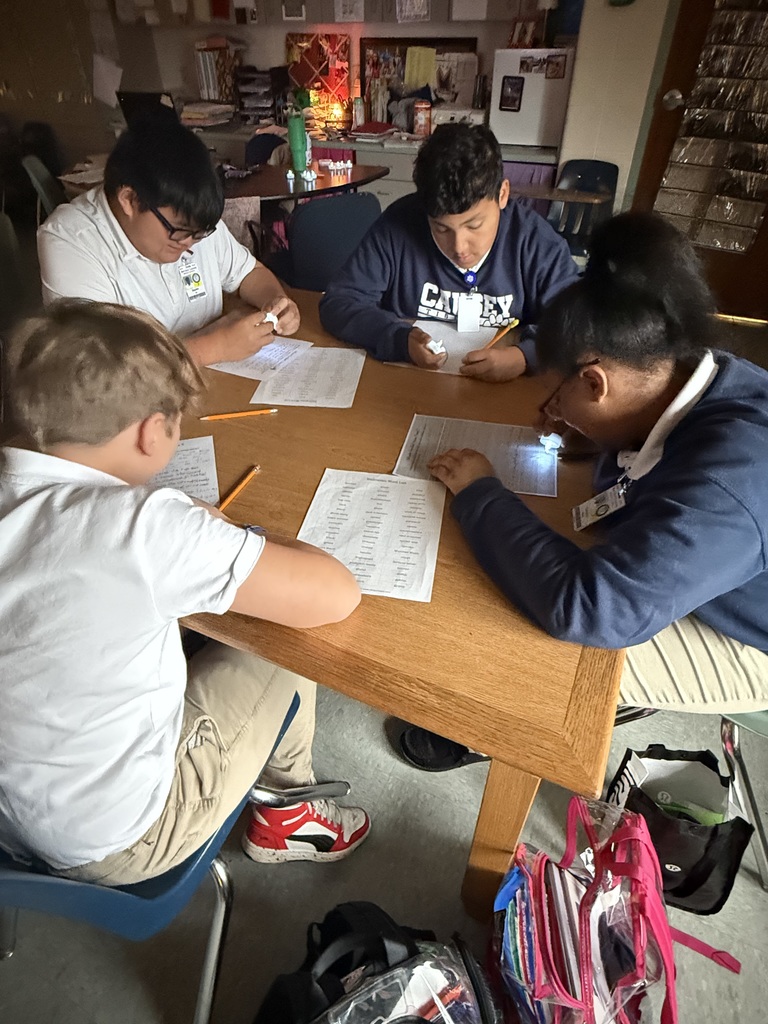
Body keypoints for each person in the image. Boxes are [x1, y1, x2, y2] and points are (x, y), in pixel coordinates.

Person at [0, 301, 369, 885]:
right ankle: (289, 814)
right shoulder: (143, 526)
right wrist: (231, 532)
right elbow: (335, 594)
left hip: (15, 817)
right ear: (153, 433)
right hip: (116, 838)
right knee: (288, 641)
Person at [401, 211, 768, 771]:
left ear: (596, 382)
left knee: (548, 641)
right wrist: (600, 436)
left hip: (751, 639)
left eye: (556, 396)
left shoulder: (727, 481)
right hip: (716, 567)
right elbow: (640, 476)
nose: (551, 412)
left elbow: (588, 610)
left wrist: (481, 494)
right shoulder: (690, 372)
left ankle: (490, 735)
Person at [319, 123, 578, 380]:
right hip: (413, 384)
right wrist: (398, 338)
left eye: (474, 225)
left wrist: (524, 357)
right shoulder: (398, 226)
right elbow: (339, 301)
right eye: (441, 228)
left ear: (502, 194)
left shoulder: (536, 242)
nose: (459, 247)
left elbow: (579, 322)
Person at [37, 118, 300, 368]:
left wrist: (276, 301)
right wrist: (214, 347)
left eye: (199, 234)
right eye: (179, 232)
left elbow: (250, 273)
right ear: (129, 200)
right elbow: (101, 370)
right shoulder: (70, 241)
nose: (190, 244)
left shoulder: (191, 221)